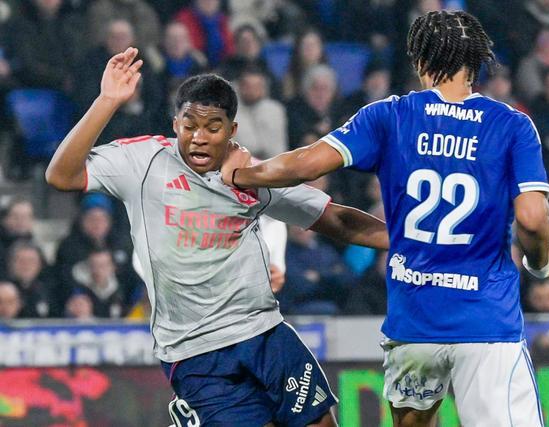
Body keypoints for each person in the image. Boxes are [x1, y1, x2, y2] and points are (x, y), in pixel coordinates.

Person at [227, 10, 549, 426]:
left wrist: (241, 174)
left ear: (421, 62)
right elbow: (532, 218)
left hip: (413, 321)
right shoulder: (512, 126)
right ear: (477, 63)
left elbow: (305, 164)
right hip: (486, 322)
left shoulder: (390, 115)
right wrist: (540, 262)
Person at [46, 47, 388, 426]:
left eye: (213, 128)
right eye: (189, 125)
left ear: (231, 130)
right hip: (194, 352)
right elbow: (61, 176)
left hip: (264, 332)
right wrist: (107, 101)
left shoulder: (252, 175)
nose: (199, 138)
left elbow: (334, 219)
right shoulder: (142, 162)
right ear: (175, 124)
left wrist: (410, 241)